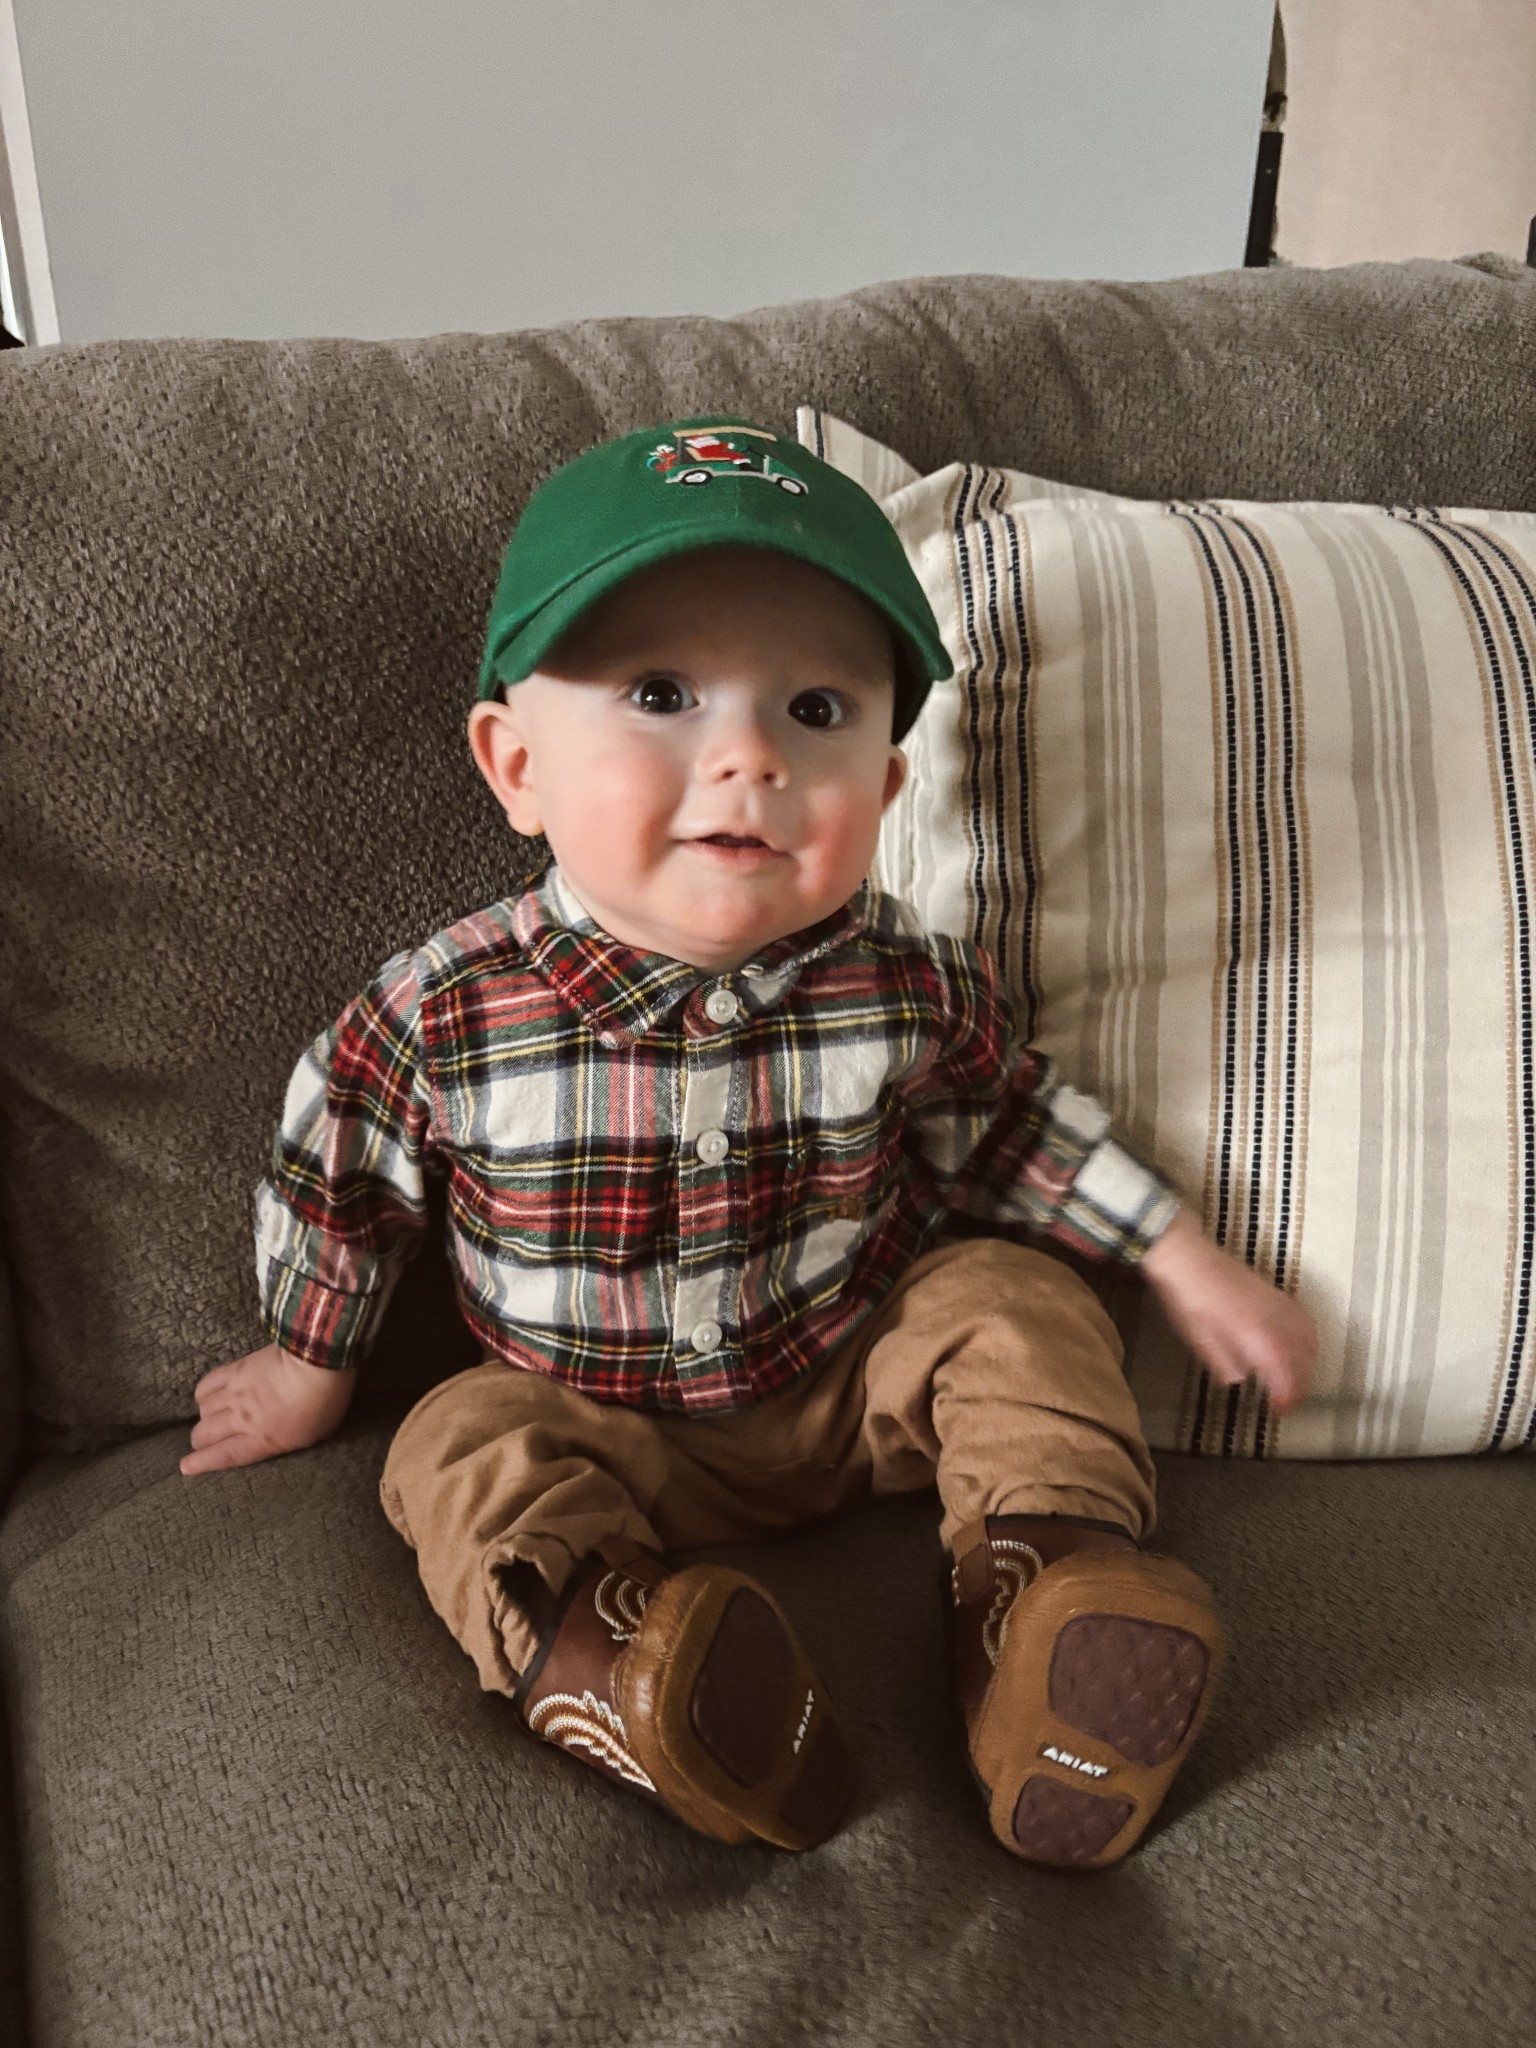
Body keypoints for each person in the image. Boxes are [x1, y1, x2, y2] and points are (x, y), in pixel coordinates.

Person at [181, 418, 1317, 1870]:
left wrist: (1178, 1253)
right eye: (662, 694)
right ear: (516, 765)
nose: (749, 758)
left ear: (885, 795)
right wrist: (311, 1360)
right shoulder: (444, 1012)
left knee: (1012, 1302)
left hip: (853, 1383)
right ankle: (629, 1667)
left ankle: (1044, 1596)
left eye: (817, 711)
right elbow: (335, 1176)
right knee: (454, 1443)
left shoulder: (903, 983)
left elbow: (1012, 1127)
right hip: (596, 1425)